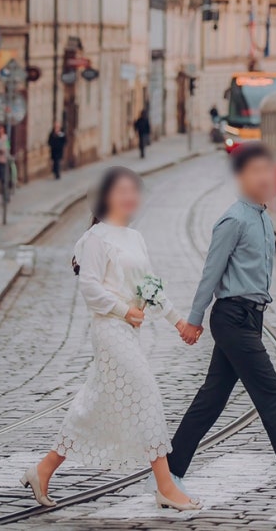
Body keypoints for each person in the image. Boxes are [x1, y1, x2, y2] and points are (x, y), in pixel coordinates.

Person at [170, 142, 276, 508]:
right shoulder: (233, 220)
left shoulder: (263, 216)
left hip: (250, 318)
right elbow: (209, 275)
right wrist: (193, 321)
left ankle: (170, 471)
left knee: (212, 398)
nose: (266, 178)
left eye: (270, 171)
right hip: (232, 319)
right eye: (257, 172)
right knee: (272, 395)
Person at [20, 167, 200, 512]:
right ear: (105, 197)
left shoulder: (135, 237)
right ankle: (165, 485)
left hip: (129, 334)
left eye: (134, 190)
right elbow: (89, 287)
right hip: (108, 331)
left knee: (91, 405)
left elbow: (151, 288)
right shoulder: (96, 239)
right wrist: (123, 310)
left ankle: (42, 470)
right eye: (122, 190)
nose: (129, 196)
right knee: (146, 396)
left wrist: (179, 322)